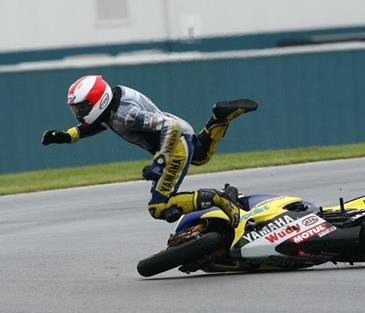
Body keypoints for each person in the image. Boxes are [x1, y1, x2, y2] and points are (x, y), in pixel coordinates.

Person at [41, 75, 257, 227]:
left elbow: (168, 128)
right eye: (76, 108)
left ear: (99, 100)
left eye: (82, 107)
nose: (79, 112)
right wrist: (68, 135)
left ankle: (220, 199)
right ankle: (220, 118)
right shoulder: (111, 105)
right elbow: (97, 124)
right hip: (174, 135)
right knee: (200, 156)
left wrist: (160, 162)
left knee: (159, 206)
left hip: (173, 143)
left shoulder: (126, 115)